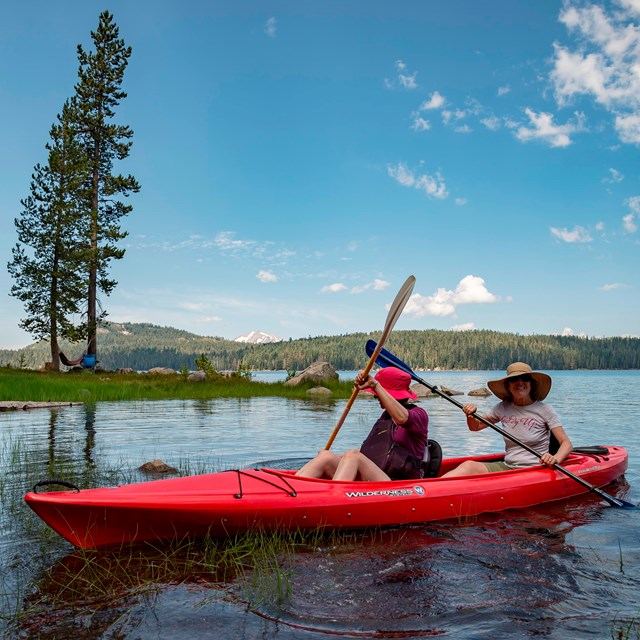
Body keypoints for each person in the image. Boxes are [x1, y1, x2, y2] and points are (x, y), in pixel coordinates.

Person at [295, 367, 429, 481]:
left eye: (378, 395)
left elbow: (402, 418)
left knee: (354, 456)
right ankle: (293, 488)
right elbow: (369, 452)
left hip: (399, 484)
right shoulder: (385, 418)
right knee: (326, 456)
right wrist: (339, 458)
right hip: (376, 475)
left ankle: (333, 498)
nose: (377, 398)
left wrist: (375, 386)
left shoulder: (419, 415)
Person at [442, 362, 572, 477]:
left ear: (531, 384)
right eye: (514, 379)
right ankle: (429, 491)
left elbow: (566, 444)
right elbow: (475, 426)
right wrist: (470, 415)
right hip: (509, 467)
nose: (520, 382)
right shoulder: (503, 407)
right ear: (508, 386)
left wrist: (554, 459)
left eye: (525, 378)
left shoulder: (544, 410)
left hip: (537, 469)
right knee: (469, 466)